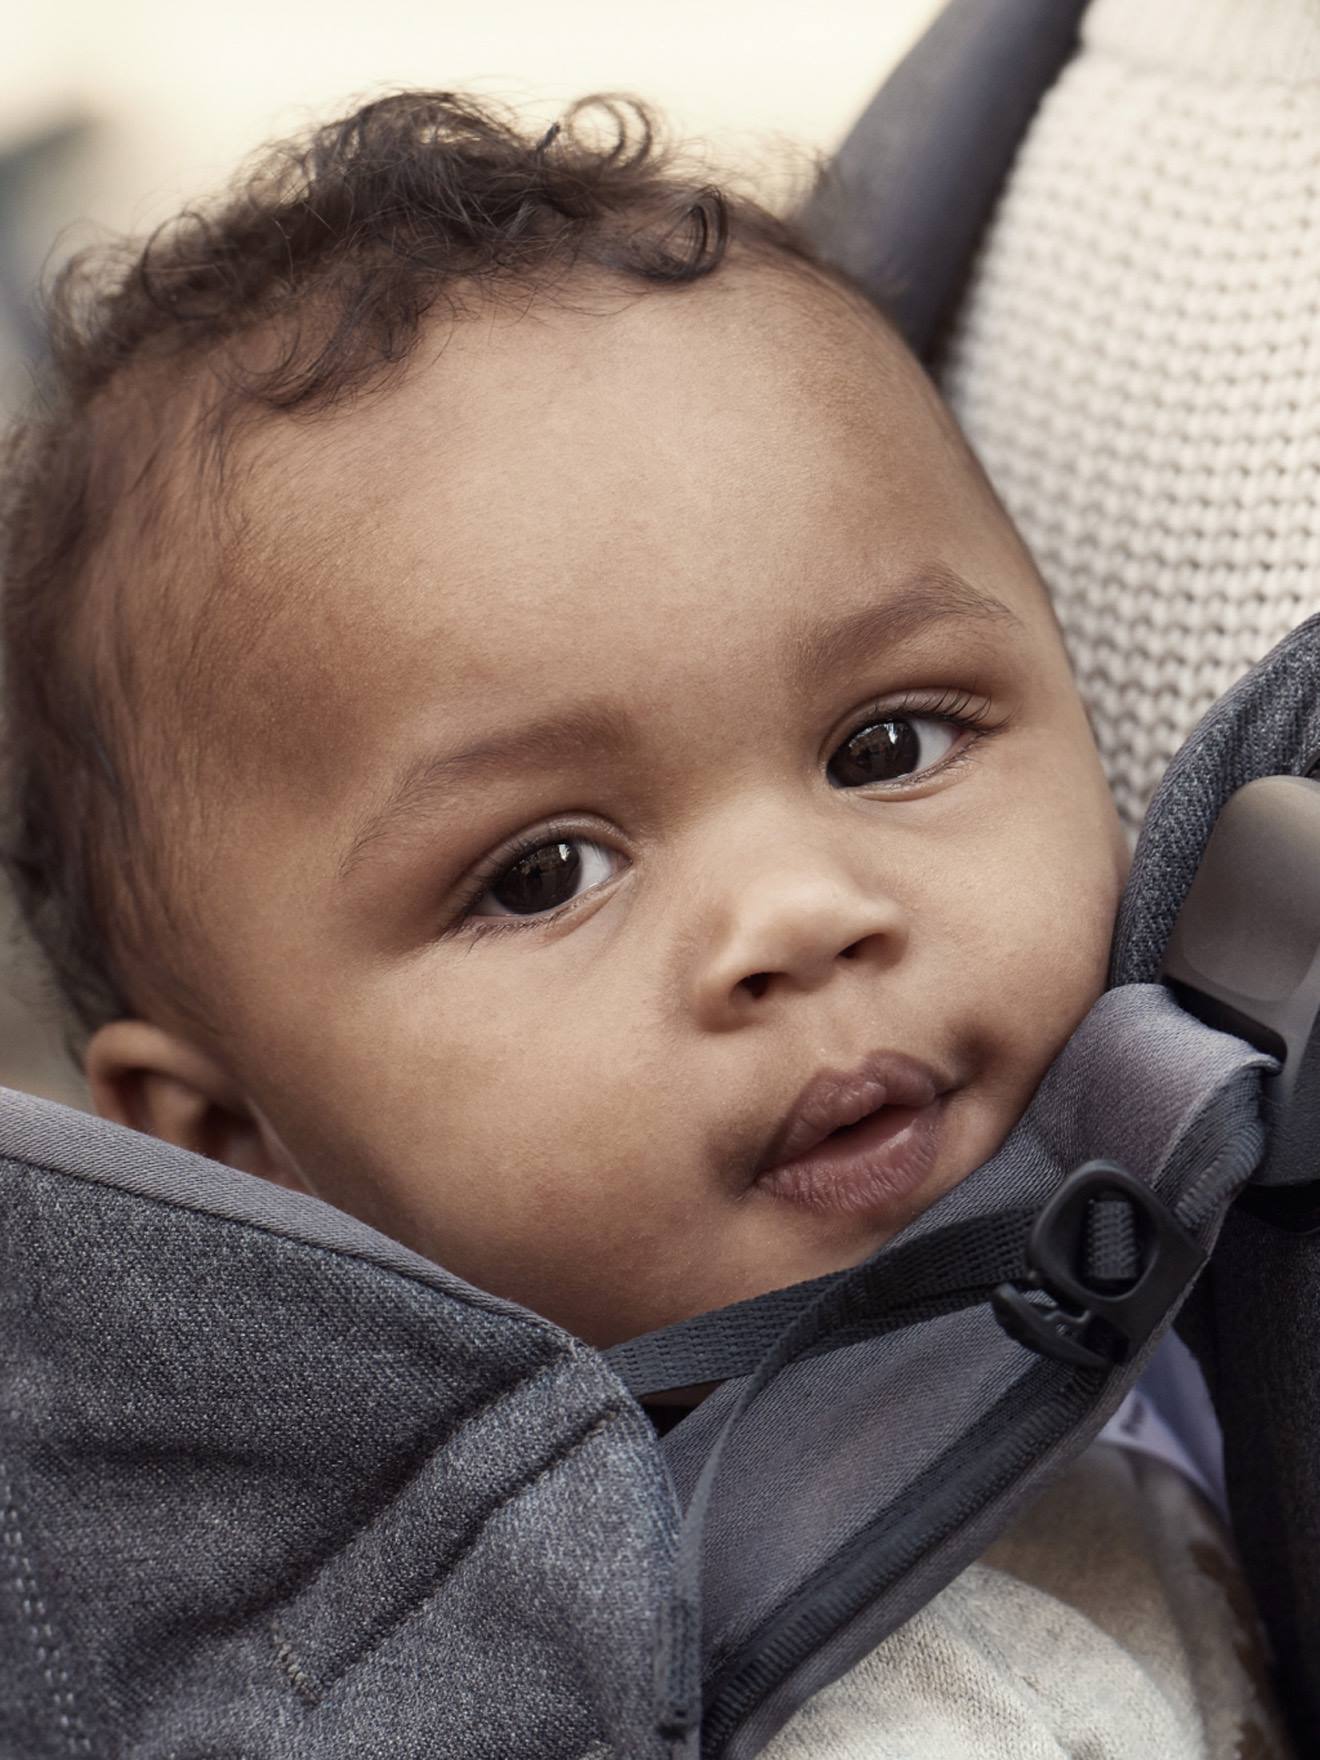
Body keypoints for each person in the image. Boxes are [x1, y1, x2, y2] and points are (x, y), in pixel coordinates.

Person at [0, 91, 1288, 1756]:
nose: (799, 917)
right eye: (545, 871)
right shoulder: (748, 1692)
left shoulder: (1181, 1223)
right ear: (233, 1143)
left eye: (886, 745)